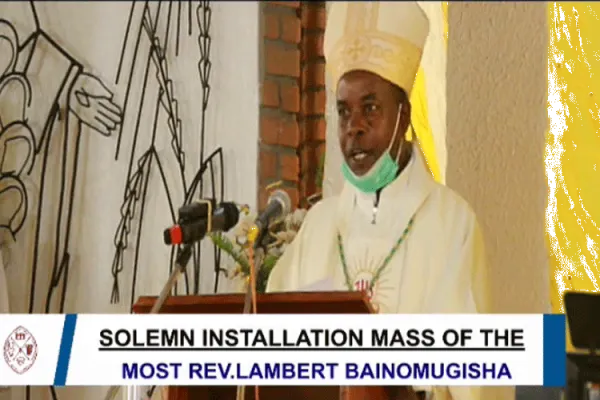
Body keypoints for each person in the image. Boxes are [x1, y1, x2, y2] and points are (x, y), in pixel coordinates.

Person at [266, 2, 491, 399]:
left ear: (403, 118)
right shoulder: (318, 227)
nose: (354, 127)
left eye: (370, 108)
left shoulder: (452, 224)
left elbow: (475, 378)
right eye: (343, 111)